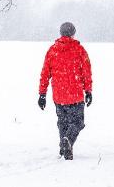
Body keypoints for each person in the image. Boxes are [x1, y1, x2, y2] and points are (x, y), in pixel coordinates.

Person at [38, 22, 93, 160]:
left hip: (59, 95)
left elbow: (45, 73)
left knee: (62, 122)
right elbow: (87, 72)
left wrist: (42, 94)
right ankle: (67, 140)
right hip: (75, 95)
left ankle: (64, 148)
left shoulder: (52, 50)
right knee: (78, 122)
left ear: (61, 33)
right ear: (73, 34)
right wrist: (88, 91)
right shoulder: (79, 50)